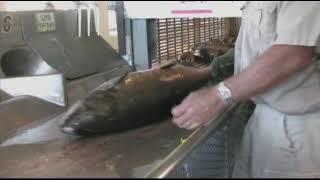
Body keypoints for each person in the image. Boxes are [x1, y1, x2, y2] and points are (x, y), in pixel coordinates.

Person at [171, 1, 320, 178]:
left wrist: (219, 95)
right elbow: (260, 46)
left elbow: (293, 53)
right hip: (262, 120)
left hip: (294, 131)